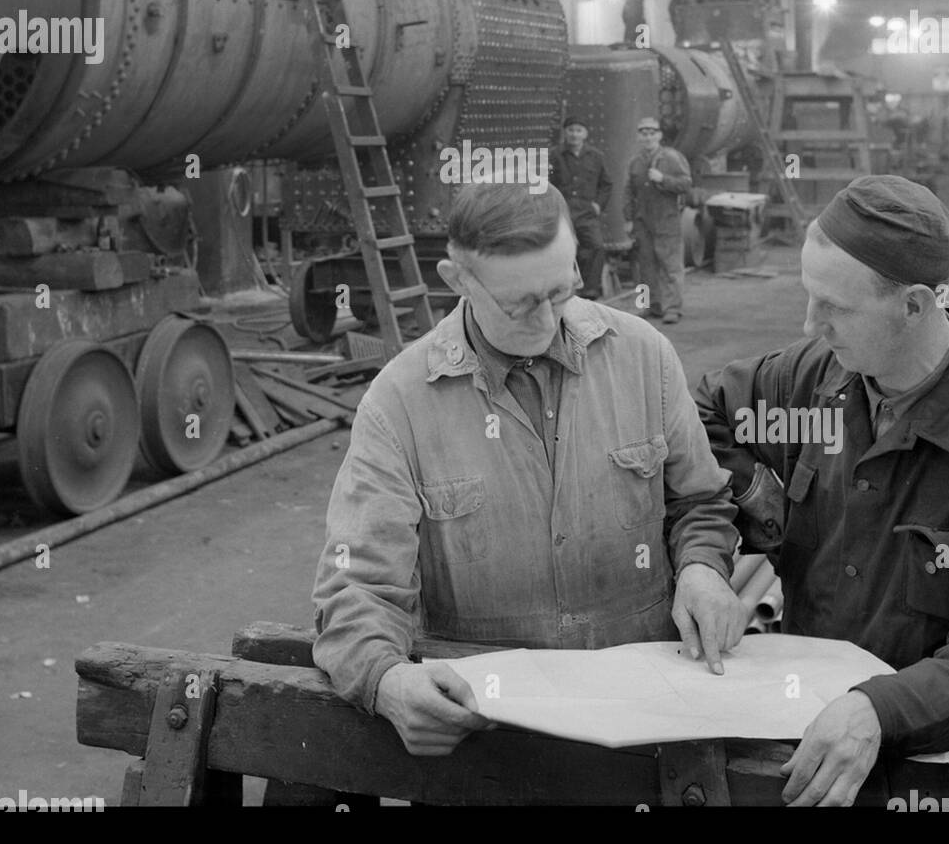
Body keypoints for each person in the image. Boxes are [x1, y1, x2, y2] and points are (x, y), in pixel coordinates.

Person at [694, 175, 949, 807]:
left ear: (913, 305)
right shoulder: (810, 381)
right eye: (809, 296)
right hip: (803, 739)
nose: (810, 322)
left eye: (836, 308)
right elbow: (701, 415)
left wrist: (881, 711)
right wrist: (742, 511)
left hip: (942, 777)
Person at [311, 182, 742, 755]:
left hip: (648, 723)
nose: (546, 320)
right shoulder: (398, 405)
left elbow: (700, 501)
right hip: (486, 744)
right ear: (457, 280)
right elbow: (357, 584)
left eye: (561, 290)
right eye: (519, 304)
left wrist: (702, 568)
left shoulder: (644, 357)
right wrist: (387, 680)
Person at [623, 118, 692, 326]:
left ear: (659, 135)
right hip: (643, 222)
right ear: (638, 136)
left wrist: (663, 179)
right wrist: (628, 219)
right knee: (646, 266)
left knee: (670, 266)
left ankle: (672, 309)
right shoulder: (635, 162)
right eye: (643, 133)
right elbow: (628, 192)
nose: (648, 137)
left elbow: (686, 184)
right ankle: (650, 305)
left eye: (652, 132)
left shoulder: (671, 157)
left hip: (666, 220)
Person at [547, 118, 612, 299]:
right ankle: (561, 290)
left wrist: (598, 205)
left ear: (585, 134)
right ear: (565, 133)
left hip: (586, 213)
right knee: (560, 249)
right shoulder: (554, 155)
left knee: (596, 247)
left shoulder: (596, 156)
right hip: (563, 212)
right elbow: (546, 183)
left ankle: (590, 290)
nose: (574, 134)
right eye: (571, 130)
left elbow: (606, 184)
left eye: (578, 130)